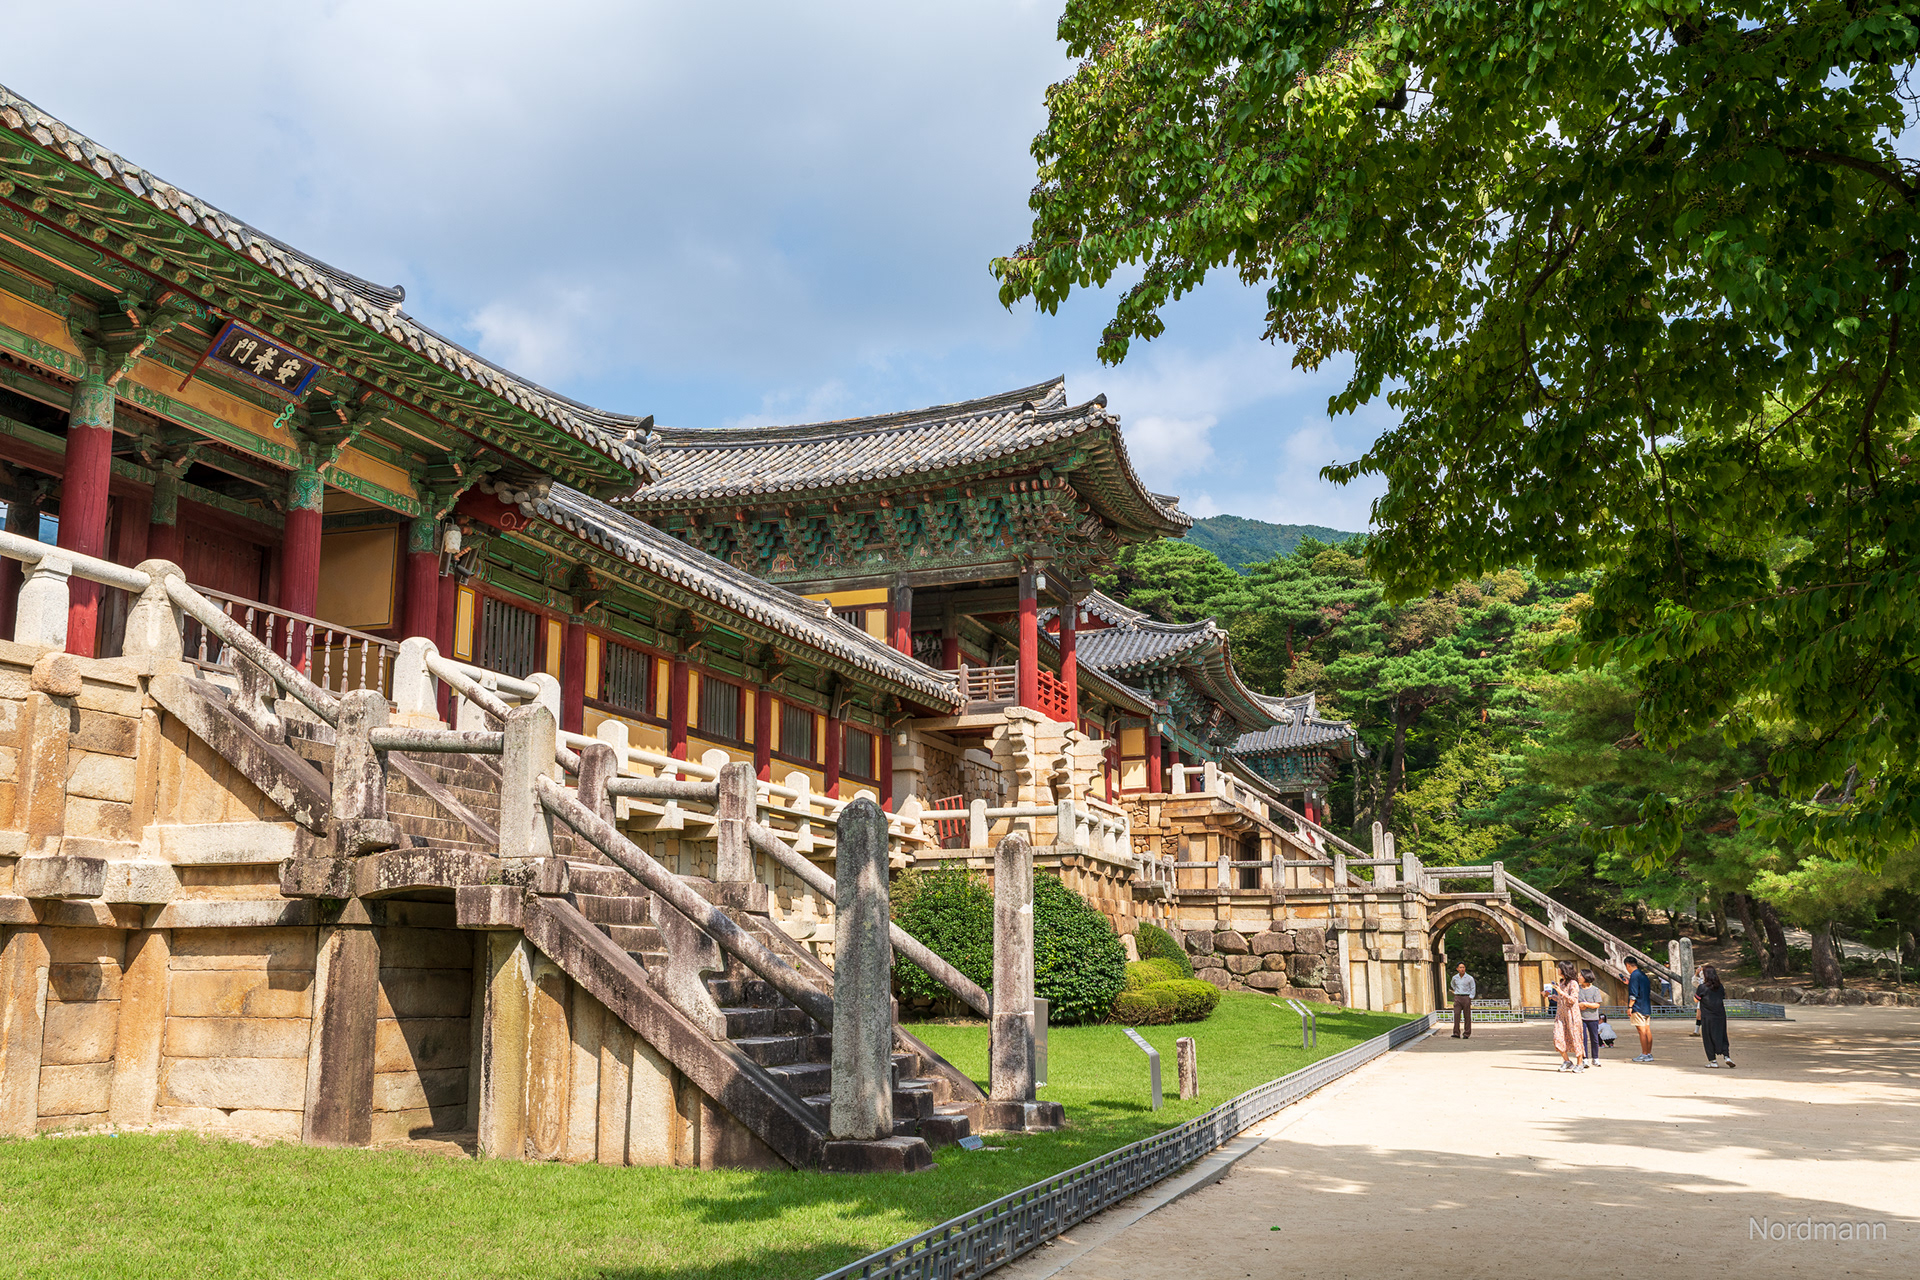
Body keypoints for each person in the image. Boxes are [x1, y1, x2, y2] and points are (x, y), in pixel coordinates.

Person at [1551, 960, 1586, 1072]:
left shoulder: (1573, 983)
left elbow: (1573, 1000)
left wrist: (1561, 993)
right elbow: (1561, 999)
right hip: (1561, 1015)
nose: (1558, 970)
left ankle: (1580, 1063)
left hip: (1572, 1015)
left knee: (1575, 1038)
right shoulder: (1561, 983)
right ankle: (1567, 1061)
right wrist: (1551, 996)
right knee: (1558, 1037)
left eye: (1559, 968)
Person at [1697, 964, 1735, 1068]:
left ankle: (1713, 1061)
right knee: (1722, 1034)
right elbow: (1722, 997)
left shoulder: (1702, 987)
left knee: (1708, 1037)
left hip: (1707, 1016)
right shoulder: (1720, 987)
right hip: (1720, 1015)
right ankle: (1726, 1056)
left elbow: (1696, 999)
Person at [1625, 956, 1655, 1062]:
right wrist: (1629, 983)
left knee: (1641, 1031)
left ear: (1628, 965)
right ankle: (1649, 1053)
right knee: (1647, 1030)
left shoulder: (1634, 975)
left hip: (1637, 1006)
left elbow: (1633, 994)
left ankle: (1644, 1054)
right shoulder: (1643, 975)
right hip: (1646, 1005)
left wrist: (1630, 1006)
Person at [1578, 969, 1605, 1066]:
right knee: (1583, 1038)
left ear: (1586, 977)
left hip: (1593, 1018)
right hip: (1581, 1018)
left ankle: (1595, 1058)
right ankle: (1584, 1058)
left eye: (1580, 976)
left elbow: (1597, 1004)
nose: (1578, 977)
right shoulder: (1577, 989)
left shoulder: (1595, 990)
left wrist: (1586, 1004)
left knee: (1594, 1038)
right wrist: (1579, 1005)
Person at [1450, 963, 1477, 1039]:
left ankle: (1466, 1033)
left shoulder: (1469, 978)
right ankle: (1456, 1032)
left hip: (1466, 997)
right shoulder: (1455, 977)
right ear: (1457, 969)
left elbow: (1473, 987)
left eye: (1463, 967)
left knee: (1467, 1016)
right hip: (1458, 997)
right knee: (1456, 1014)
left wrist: (1470, 997)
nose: (1462, 969)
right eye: (1460, 967)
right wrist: (1456, 991)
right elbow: (1452, 984)